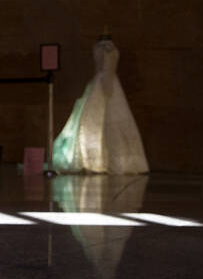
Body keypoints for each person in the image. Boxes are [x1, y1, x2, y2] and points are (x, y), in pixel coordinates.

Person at [51, 33, 148, 174]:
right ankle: (93, 159)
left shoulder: (111, 49)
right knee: (92, 121)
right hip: (99, 83)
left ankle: (113, 160)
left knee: (113, 119)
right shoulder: (99, 48)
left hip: (110, 84)